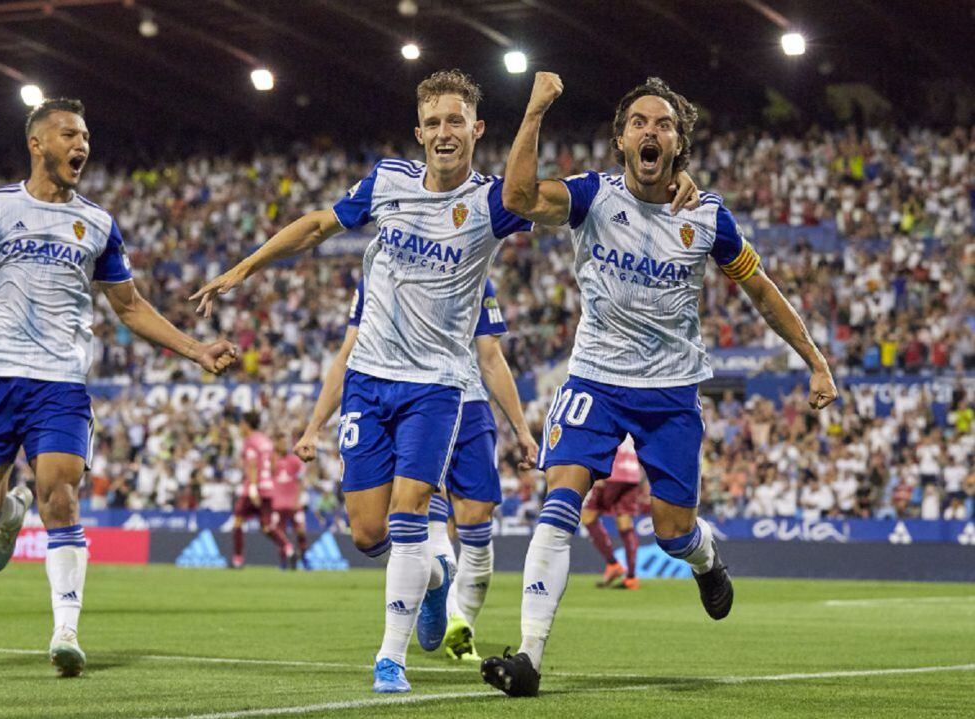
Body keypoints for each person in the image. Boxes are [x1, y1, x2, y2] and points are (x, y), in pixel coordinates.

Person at [192, 68, 697, 694]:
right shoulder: (386, 183)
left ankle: (390, 659)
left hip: (437, 385)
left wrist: (674, 181)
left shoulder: (491, 203)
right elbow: (317, 226)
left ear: (476, 129)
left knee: (409, 514)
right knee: (368, 531)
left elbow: (566, 196)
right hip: (368, 380)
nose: (443, 132)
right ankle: (435, 579)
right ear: (419, 132)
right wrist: (241, 270)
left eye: (455, 120)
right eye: (432, 122)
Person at [481, 73, 838, 697]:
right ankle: (530, 657)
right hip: (594, 377)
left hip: (671, 392)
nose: (652, 131)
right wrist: (535, 109)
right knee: (559, 502)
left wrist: (813, 358)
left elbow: (760, 292)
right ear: (621, 141)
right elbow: (515, 198)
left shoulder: (706, 216)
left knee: (672, 533)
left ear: (679, 144)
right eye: (640, 123)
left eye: (664, 124)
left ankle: (706, 560)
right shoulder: (594, 197)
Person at [0, 98, 237, 677]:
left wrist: (196, 349)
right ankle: (10, 512)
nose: (80, 144)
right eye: (68, 134)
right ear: (38, 144)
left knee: (60, 498)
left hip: (60, 380)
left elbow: (129, 307)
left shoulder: (100, 223)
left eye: (85, 135)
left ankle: (65, 630)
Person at [294, 276, 538, 662]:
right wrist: (315, 423)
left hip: (466, 402)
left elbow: (490, 356)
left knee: (475, 524)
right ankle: (439, 595)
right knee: (410, 518)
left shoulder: (469, 264)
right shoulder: (376, 271)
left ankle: (460, 625)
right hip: (407, 401)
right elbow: (349, 352)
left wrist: (520, 428)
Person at [232, 412, 294, 569]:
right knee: (266, 526)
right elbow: (273, 464)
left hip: (254, 487)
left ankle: (237, 559)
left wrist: (253, 487)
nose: (240, 427)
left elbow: (252, 464)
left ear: (246, 425)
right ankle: (288, 548)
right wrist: (268, 481)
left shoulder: (250, 441)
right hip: (268, 488)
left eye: (241, 424)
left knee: (238, 521)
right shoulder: (266, 441)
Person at [582, 436, 643, 590]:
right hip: (631, 472)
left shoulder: (610, 411)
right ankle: (631, 578)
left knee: (588, 517)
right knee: (625, 524)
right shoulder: (637, 414)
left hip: (611, 472)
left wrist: (597, 471)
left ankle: (612, 563)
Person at [270, 431, 309, 569]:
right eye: (281, 442)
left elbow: (301, 481)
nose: (284, 444)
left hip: (293, 504)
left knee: (301, 531)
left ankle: (304, 559)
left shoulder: (294, 460)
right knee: (280, 535)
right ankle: (283, 562)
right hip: (277, 504)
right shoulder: (271, 460)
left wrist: (298, 499)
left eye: (285, 442)